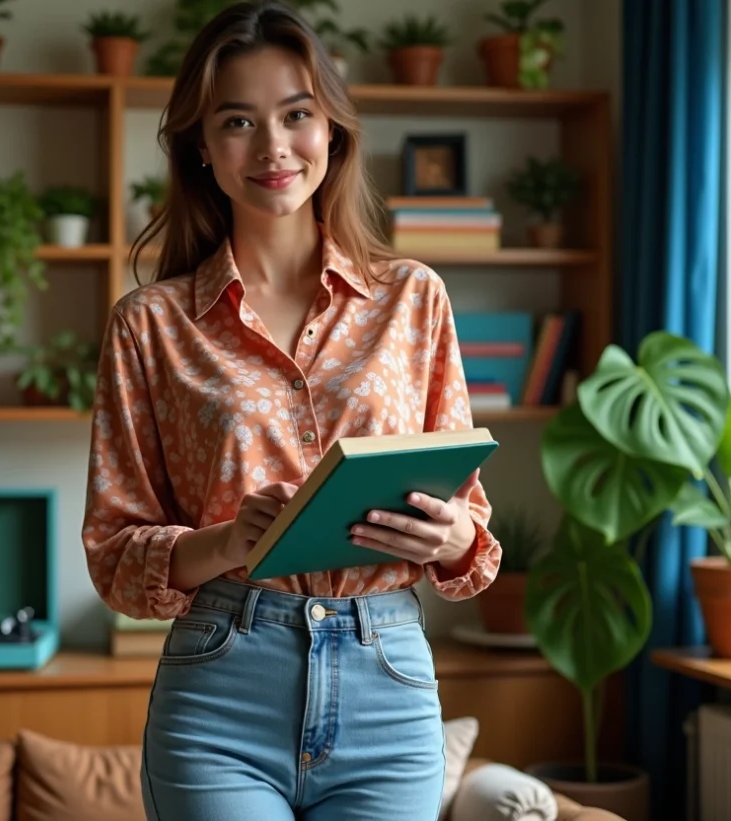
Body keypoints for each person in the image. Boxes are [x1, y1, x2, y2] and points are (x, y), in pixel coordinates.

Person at [81, 2, 502, 819]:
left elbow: (471, 533)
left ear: (333, 132)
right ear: (202, 147)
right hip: (222, 688)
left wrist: (451, 537)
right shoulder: (151, 325)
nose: (273, 147)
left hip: (389, 683)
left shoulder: (413, 300)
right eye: (238, 120)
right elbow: (115, 553)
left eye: (297, 114)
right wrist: (226, 541)